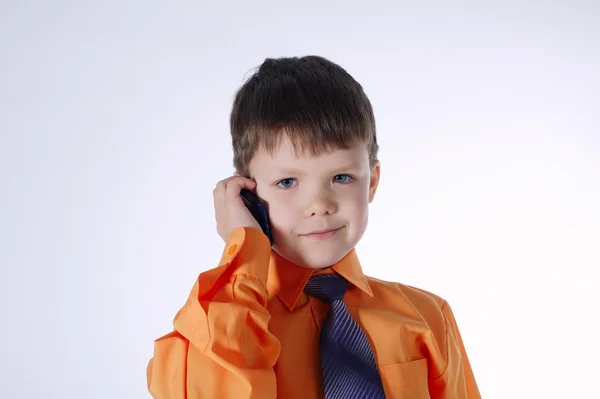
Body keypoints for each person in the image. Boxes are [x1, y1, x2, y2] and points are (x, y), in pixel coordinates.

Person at [146, 55, 481, 399]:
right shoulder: (220, 324)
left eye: (341, 177)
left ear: (372, 182)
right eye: (288, 181)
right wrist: (244, 248)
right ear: (245, 193)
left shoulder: (426, 317)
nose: (319, 205)